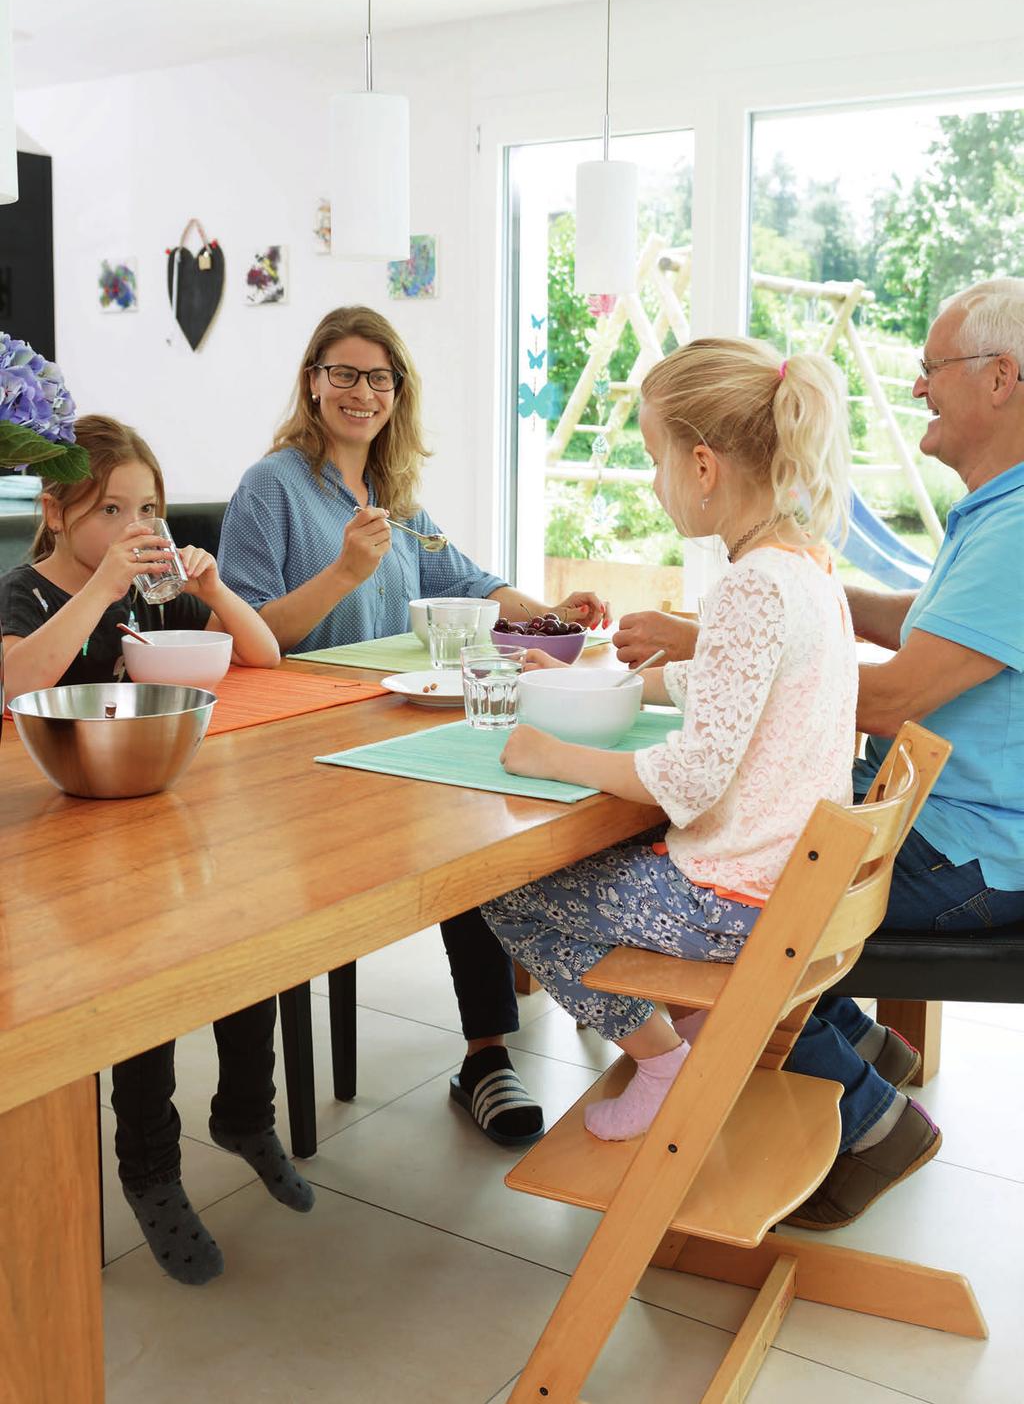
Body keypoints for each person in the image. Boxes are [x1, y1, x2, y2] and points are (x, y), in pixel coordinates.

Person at [612, 277, 1024, 1226]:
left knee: (713, 900)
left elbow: (889, 691)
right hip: (948, 813)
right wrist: (743, 625)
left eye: (933, 369)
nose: (919, 388)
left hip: (973, 848)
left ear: (1001, 379)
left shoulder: (1015, 530)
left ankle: (870, 1113)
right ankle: (858, 1055)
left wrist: (729, 643)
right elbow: (902, 626)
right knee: (742, 852)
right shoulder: (992, 512)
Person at [217, 305, 610, 1147]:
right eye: (345, 374)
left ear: (398, 393)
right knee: (465, 829)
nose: (363, 393)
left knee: (507, 801)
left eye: (380, 378)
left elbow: (471, 581)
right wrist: (343, 571)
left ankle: (515, 1036)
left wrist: (555, 616)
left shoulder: (394, 496)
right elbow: (245, 641)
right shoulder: (271, 487)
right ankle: (491, 1055)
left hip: (390, 723)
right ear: (313, 382)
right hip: (303, 750)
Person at [478, 335, 859, 1143]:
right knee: (579, 868)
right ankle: (678, 1038)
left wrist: (550, 753)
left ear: (703, 466)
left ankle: (661, 1063)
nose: (655, 484)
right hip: (789, 883)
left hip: (737, 900)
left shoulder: (749, 585)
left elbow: (691, 778)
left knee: (512, 897)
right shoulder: (807, 565)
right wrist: (627, 683)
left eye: (656, 461)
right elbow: (742, 685)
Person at [0, 415, 308, 1287]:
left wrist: (211, 589)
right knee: (142, 983)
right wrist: (96, 589)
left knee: (246, 938)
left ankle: (248, 1114)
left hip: (147, 805)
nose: (137, 530)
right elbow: (18, 680)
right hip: (54, 830)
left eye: (152, 510)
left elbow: (265, 652)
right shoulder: (25, 591)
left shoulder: (147, 594)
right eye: (113, 510)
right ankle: (151, 1171)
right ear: (57, 511)